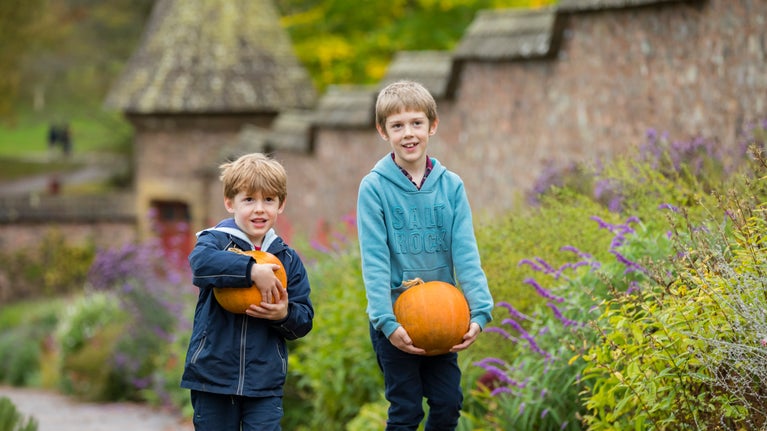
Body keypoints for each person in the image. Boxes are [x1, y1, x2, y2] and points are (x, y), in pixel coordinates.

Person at [357, 80, 494, 431]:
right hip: (396, 320)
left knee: (448, 405)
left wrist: (479, 312)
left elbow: (466, 252)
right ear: (382, 131)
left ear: (432, 125)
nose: (408, 133)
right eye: (397, 125)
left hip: (444, 320)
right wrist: (386, 322)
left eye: (416, 123)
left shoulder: (451, 186)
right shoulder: (374, 187)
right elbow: (374, 260)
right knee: (405, 411)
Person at [181, 152, 314, 431]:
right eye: (249, 200)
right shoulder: (215, 242)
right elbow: (201, 266)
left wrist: (283, 314)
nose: (259, 209)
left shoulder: (287, 260)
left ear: (281, 204)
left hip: (264, 382)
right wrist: (251, 269)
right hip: (212, 377)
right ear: (230, 203)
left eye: (268, 200)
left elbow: (303, 319)